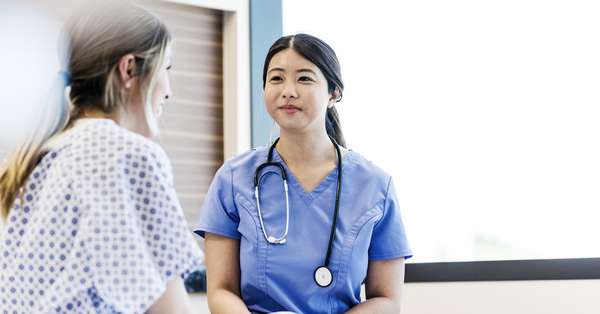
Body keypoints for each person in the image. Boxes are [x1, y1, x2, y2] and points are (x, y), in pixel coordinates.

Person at [0, 3, 202, 313]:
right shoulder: (128, 155)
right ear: (129, 69)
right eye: (167, 69)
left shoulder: (37, 158)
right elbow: (169, 309)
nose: (169, 91)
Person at [195, 33, 412, 314]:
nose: (288, 91)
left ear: (333, 93)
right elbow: (221, 290)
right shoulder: (234, 179)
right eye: (276, 78)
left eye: (304, 78)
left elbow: (387, 300)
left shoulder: (374, 185)